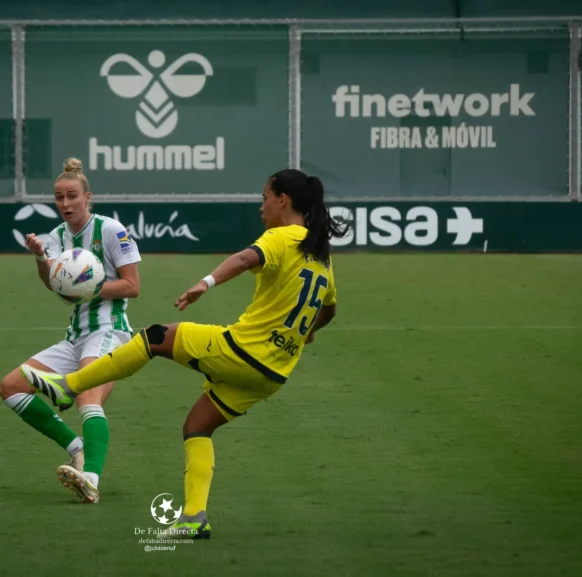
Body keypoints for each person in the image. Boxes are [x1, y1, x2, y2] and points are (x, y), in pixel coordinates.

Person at [20, 169, 351, 539]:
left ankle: (68, 386)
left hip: (243, 350)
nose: (261, 206)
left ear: (282, 201)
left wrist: (203, 284)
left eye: (264, 198)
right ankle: (194, 518)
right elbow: (328, 310)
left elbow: (245, 259)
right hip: (273, 374)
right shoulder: (321, 254)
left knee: (155, 337)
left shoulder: (282, 236)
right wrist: (304, 335)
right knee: (197, 427)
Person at [0, 157, 141, 503]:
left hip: (109, 330)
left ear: (87, 197)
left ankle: (90, 477)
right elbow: (54, 285)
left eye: (72, 196)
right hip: (75, 336)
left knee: (86, 396)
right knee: (12, 387)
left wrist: (90, 287)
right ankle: (76, 449)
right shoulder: (57, 236)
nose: (65, 204)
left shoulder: (110, 230)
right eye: (59, 197)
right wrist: (39, 258)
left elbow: (132, 286)